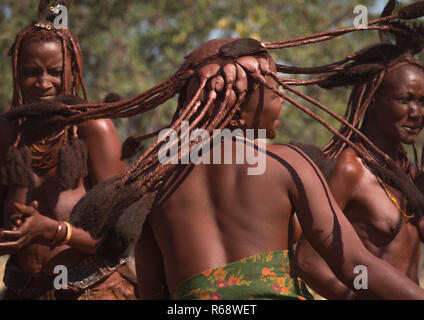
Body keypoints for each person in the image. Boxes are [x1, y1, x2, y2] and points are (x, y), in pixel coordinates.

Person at [25, 34, 424, 299]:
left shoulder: (153, 182)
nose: (281, 97)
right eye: (272, 88)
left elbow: (153, 294)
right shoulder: (287, 162)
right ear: (234, 107)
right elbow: (354, 262)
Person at [0, 7, 137, 299]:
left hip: (92, 291)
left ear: (73, 72)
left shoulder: (93, 129)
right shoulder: (8, 133)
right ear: (16, 73)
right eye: (31, 73)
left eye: (55, 72)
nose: (43, 83)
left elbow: (119, 238)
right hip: (22, 291)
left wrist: (53, 230)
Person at [295, 39, 424, 299]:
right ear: (374, 99)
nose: (416, 113)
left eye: (423, 102)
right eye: (405, 100)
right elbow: (307, 260)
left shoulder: (412, 175)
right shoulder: (351, 169)